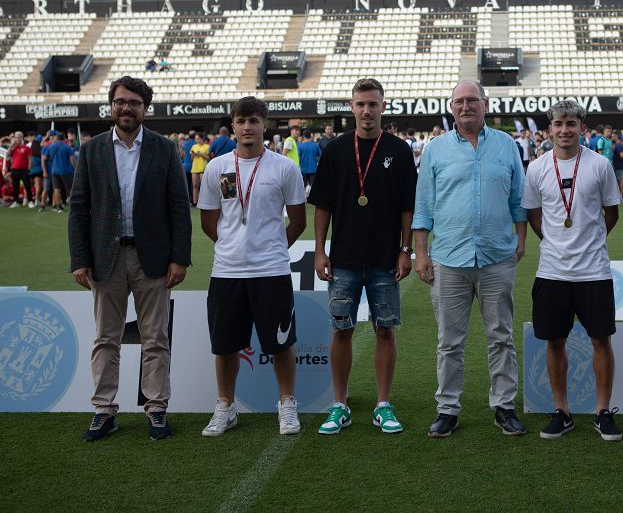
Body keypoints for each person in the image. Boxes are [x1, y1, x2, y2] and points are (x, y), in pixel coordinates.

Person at [68, 76, 192, 442]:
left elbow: (179, 208)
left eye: (134, 103)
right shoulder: (92, 151)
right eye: (120, 101)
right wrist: (79, 258)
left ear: (145, 109)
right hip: (105, 258)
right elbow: (78, 209)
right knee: (106, 338)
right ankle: (104, 410)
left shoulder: (164, 149)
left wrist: (179, 258)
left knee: (156, 337)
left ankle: (156, 408)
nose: (126, 108)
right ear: (112, 105)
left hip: (151, 257)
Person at [413, 80, 528, 438]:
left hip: (496, 256)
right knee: (449, 341)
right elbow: (423, 206)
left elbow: (518, 199)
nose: (466, 107)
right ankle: (447, 409)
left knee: (501, 336)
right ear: (451, 108)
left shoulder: (507, 145)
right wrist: (420, 252)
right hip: (448, 257)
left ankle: (504, 406)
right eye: (459, 101)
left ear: (485, 104)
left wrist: (520, 242)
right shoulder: (436, 149)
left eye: (472, 100)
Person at [309, 79, 417, 435]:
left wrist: (405, 250)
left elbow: (407, 207)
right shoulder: (335, 150)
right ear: (351, 108)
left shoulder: (399, 151)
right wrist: (320, 250)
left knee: (384, 330)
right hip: (344, 259)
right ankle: (339, 404)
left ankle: (382, 404)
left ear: (383, 106)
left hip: (385, 260)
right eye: (360, 104)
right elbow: (322, 205)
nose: (366, 110)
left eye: (373, 104)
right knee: (342, 330)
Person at [198, 97, 307, 438]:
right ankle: (225, 407)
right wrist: (233, 247)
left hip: (271, 271)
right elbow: (208, 221)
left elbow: (298, 221)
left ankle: (287, 404)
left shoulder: (284, 167)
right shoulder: (217, 167)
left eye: (254, 120)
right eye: (241, 120)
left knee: (280, 344)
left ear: (264, 125)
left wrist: (271, 249)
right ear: (232, 125)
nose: (247, 127)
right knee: (225, 345)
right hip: (227, 271)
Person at [522, 100, 623, 441]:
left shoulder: (600, 165)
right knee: (554, 342)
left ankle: (602, 411)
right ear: (549, 128)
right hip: (552, 271)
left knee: (600, 341)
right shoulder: (536, 168)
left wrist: (589, 240)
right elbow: (534, 215)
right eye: (558, 124)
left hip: (593, 270)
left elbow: (612, 213)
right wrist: (553, 240)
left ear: (582, 126)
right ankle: (562, 410)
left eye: (571, 123)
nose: (564, 130)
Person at [48, 132, 76, 213]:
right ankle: (74, 206)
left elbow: (49, 157)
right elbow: (72, 159)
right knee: (70, 189)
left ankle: (58, 206)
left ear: (57, 138)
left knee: (56, 189)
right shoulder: (67, 147)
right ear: (64, 138)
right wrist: (76, 168)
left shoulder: (52, 146)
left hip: (54, 170)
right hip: (65, 171)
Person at [5, 131, 33, 208]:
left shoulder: (26, 148)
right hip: (14, 169)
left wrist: (29, 169)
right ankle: (16, 202)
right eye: (16, 137)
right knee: (15, 186)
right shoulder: (13, 148)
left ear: (22, 138)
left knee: (27, 186)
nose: (17, 139)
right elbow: (7, 155)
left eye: (19, 137)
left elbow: (30, 159)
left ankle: (30, 201)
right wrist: (11, 145)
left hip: (24, 169)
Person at [189, 133, 210, 206]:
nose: (196, 140)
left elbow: (209, 158)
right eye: (196, 139)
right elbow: (191, 159)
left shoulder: (207, 146)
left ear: (202, 139)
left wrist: (201, 154)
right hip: (194, 168)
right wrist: (193, 154)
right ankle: (195, 202)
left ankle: (205, 202)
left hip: (203, 168)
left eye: (198, 139)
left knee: (204, 186)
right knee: (195, 185)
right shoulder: (194, 146)